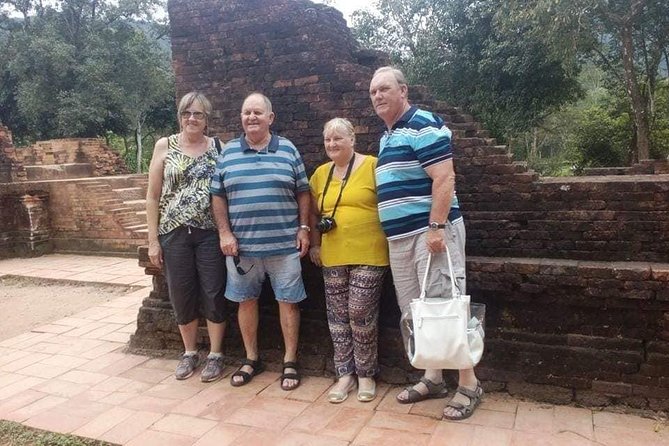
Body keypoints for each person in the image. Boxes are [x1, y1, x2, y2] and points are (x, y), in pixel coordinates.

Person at [369, 66, 483, 420]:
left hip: (428, 234)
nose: (377, 96)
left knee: (445, 307)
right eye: (373, 92)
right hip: (400, 240)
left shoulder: (423, 123)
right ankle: (433, 378)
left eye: (384, 89)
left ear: (403, 90)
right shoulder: (387, 137)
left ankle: (469, 384)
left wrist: (436, 227)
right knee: (417, 313)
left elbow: (444, 177)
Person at [210, 92, 310, 391]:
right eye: (246, 113)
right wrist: (224, 233)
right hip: (242, 249)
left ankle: (290, 360)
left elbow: (303, 191)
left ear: (270, 118)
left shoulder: (289, 150)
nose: (251, 117)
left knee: (289, 303)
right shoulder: (228, 153)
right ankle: (251, 358)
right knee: (245, 302)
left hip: (284, 245)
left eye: (257, 112)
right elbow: (218, 195)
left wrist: (304, 228)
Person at [146, 91, 227, 383]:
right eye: (187, 113)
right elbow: (153, 196)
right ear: (180, 116)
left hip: (209, 232)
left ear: (207, 119)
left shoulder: (218, 147)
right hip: (173, 233)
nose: (192, 119)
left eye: (198, 114)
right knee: (181, 293)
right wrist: (153, 240)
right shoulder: (164, 146)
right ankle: (190, 351)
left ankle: (216, 354)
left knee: (213, 291)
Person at [308, 118, 389, 403]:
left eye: (338, 138)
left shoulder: (372, 166)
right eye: (328, 139)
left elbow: (390, 202)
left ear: (352, 140)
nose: (332, 143)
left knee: (359, 312)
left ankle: (366, 373)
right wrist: (315, 244)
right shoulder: (320, 173)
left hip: (370, 251)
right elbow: (312, 213)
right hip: (333, 254)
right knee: (338, 317)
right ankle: (345, 374)